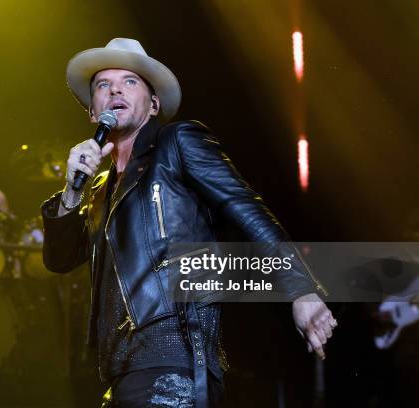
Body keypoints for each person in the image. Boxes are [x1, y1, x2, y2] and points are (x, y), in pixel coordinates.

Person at [41, 38, 336, 407]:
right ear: (92, 111)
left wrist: (300, 288)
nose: (115, 88)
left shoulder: (176, 143)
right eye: (103, 84)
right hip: (121, 372)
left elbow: (247, 209)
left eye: (129, 81)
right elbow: (60, 259)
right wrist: (71, 191)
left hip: (175, 357)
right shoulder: (100, 191)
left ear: (154, 104)